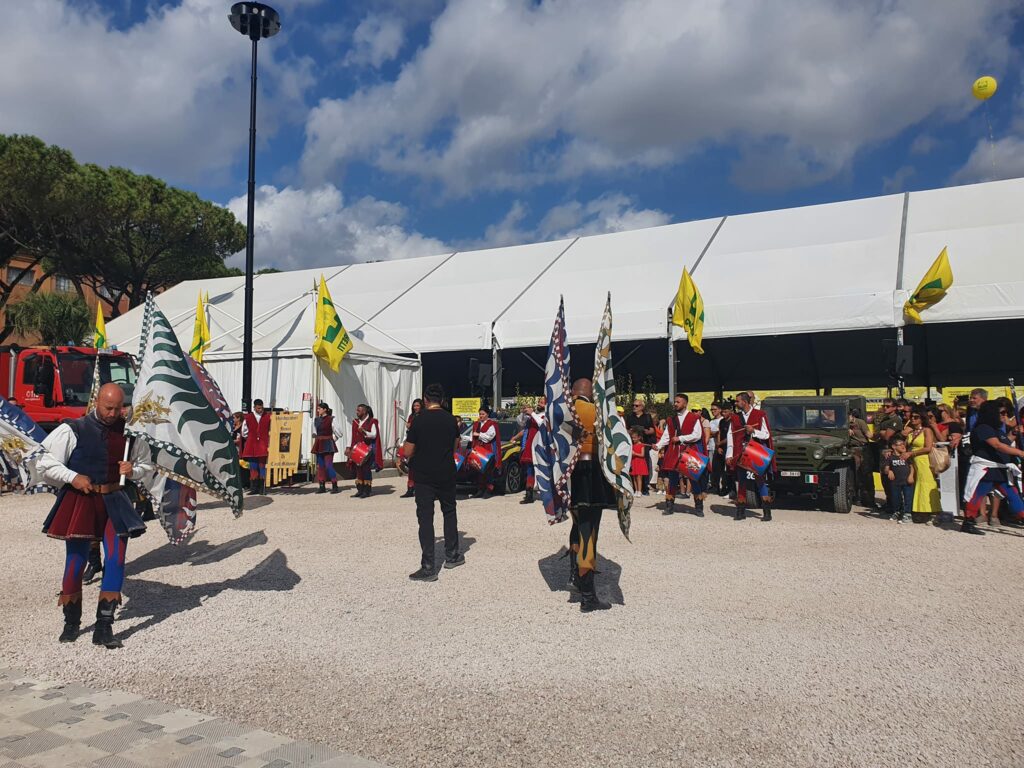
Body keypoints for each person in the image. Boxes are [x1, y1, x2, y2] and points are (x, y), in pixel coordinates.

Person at [38, 383, 151, 649]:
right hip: (82, 500)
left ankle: (104, 626)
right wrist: (72, 476)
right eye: (108, 407)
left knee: (115, 559)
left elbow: (147, 466)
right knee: (75, 562)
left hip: (115, 500)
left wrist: (133, 470)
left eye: (118, 408)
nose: (113, 414)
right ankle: (71, 622)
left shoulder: (132, 434)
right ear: (97, 402)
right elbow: (44, 462)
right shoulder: (72, 429)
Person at [403, 384, 464, 581]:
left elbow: (408, 451)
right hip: (446, 472)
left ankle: (429, 567)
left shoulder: (419, 421)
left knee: (426, 518)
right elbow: (456, 445)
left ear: (426, 399)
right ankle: (453, 555)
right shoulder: (450, 420)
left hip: (424, 475)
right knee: (449, 512)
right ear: (442, 399)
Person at [566, 378, 618, 612]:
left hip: (568, 476)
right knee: (589, 532)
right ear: (588, 392)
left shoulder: (562, 411)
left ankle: (575, 577)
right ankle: (588, 596)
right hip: (591, 475)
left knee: (577, 526)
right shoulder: (596, 411)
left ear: (574, 392)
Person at [962, 400, 1024, 535]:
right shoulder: (983, 428)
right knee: (977, 494)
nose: (1005, 415)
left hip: (1000, 469)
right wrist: (1020, 453)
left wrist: (1014, 433)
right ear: (992, 413)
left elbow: (1005, 442)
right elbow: (997, 445)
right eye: (1002, 413)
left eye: (1006, 413)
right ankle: (968, 521)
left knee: (1013, 495)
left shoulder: (996, 430)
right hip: (986, 468)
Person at [655, 393, 707, 516]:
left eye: (678, 402)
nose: (675, 404)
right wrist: (658, 445)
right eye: (675, 402)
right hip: (674, 453)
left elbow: (697, 435)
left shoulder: (694, 418)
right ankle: (669, 506)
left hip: (690, 452)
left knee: (694, 479)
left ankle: (699, 507)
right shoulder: (671, 419)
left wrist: (680, 438)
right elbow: (667, 436)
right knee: (672, 480)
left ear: (685, 403)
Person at [726, 391, 775, 522]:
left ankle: (767, 512)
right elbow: (731, 436)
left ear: (745, 402)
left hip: (755, 452)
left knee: (760, 481)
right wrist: (729, 454)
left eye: (737, 401)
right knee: (741, 481)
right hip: (740, 453)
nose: (735, 404)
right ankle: (740, 511)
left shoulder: (760, 415)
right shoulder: (735, 417)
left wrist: (754, 431)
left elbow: (766, 434)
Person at [902, 405, 940, 522]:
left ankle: (932, 511)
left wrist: (911, 453)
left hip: (923, 460)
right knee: (915, 485)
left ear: (922, 418)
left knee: (926, 484)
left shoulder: (927, 430)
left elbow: (928, 448)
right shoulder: (911, 432)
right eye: (912, 417)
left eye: (916, 417)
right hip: (912, 461)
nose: (913, 419)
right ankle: (919, 510)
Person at [347, 404, 383, 498]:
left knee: (366, 469)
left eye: (359, 410)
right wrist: (348, 447)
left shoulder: (372, 421)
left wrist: (364, 431)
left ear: (364, 411)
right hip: (357, 448)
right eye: (357, 410)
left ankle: (367, 490)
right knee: (358, 469)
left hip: (367, 448)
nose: (357, 412)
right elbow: (352, 435)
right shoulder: (355, 422)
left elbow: (374, 435)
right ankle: (360, 489)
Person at [512, 401, 544, 504]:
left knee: (544, 471)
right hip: (529, 446)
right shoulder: (533, 416)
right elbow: (521, 422)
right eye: (539, 402)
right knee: (529, 470)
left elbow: (542, 424)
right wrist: (523, 412)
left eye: (542, 403)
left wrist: (532, 413)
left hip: (540, 447)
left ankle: (550, 494)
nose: (539, 404)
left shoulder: (546, 415)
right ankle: (529, 495)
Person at [625, 398, 656, 495]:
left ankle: (645, 488)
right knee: (633, 467)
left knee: (645, 466)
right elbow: (626, 429)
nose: (634, 407)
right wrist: (631, 431)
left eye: (636, 405)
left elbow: (652, 430)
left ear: (642, 407)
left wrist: (646, 431)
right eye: (633, 405)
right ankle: (635, 489)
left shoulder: (647, 417)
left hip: (644, 444)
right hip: (632, 445)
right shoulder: (630, 417)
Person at [469, 407, 502, 498]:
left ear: (487, 414)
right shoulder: (476, 424)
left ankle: (488, 490)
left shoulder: (492, 424)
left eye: (483, 414)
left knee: (488, 470)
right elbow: (471, 436)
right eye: (480, 414)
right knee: (479, 470)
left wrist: (478, 434)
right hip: (478, 449)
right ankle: (480, 489)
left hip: (487, 449)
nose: (481, 416)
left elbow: (489, 437)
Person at [241, 399, 271, 495]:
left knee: (262, 466)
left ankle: (262, 488)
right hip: (252, 445)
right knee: (253, 467)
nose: (260, 409)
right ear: (254, 407)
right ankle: (254, 488)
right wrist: (251, 437)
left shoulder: (268, 416)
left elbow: (272, 429)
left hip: (263, 444)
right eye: (258, 408)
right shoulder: (248, 417)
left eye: (261, 407)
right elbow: (244, 432)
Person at [882, 436, 915, 523]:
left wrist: (911, 475)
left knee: (908, 497)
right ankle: (897, 511)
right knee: (895, 497)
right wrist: (889, 471)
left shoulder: (906, 456)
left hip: (907, 481)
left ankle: (908, 514)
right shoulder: (890, 457)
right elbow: (885, 468)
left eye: (904, 444)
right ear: (894, 446)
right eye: (900, 445)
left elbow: (912, 466)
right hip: (895, 482)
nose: (903, 446)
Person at [312, 403, 342, 494]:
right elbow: (314, 433)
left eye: (319, 408)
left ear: (325, 409)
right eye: (318, 409)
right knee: (320, 466)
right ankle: (322, 486)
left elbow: (339, 433)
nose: (318, 410)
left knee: (329, 465)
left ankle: (334, 485)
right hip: (319, 443)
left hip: (328, 444)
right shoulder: (316, 420)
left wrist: (332, 440)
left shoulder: (331, 419)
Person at [401, 399, 424, 498]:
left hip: (421, 444)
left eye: (418, 406)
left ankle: (422, 489)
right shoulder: (411, 416)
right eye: (414, 406)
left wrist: (413, 426)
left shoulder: (424, 416)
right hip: (412, 444)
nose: (416, 408)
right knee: (411, 467)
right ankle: (410, 489)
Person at [629, 426, 648, 494]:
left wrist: (635, 453)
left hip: (640, 462)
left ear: (639, 437)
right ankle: (636, 490)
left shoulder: (641, 445)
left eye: (634, 438)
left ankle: (639, 491)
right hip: (634, 462)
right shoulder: (632, 445)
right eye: (632, 438)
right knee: (634, 477)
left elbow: (642, 455)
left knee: (639, 477)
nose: (633, 439)